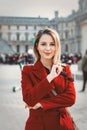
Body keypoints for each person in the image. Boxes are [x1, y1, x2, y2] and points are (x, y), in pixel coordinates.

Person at [21, 28, 76, 130]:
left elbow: (71, 98)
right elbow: (29, 99)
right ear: (37, 46)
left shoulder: (65, 69)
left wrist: (41, 103)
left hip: (63, 125)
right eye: (43, 44)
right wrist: (49, 78)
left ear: (57, 47)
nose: (48, 48)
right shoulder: (27, 71)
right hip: (39, 125)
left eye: (52, 44)